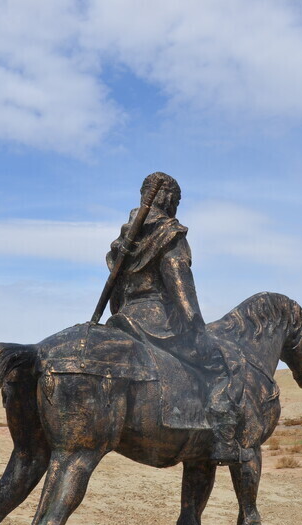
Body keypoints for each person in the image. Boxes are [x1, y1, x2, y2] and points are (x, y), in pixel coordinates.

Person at [104, 172, 243, 464]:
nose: (175, 205)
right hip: (159, 324)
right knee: (223, 366)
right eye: (176, 199)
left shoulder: (124, 241)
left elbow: (116, 292)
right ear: (166, 197)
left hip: (124, 320)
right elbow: (180, 286)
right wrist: (195, 325)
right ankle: (223, 439)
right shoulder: (170, 234)